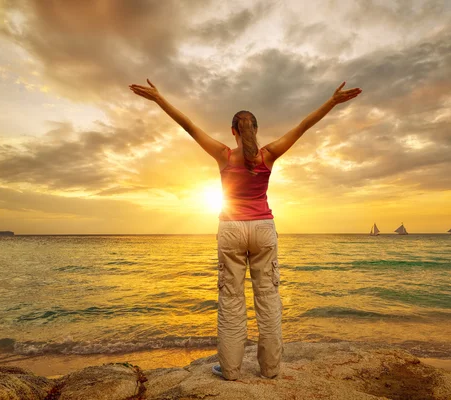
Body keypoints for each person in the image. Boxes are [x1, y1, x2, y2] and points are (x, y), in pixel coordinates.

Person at [129, 80, 362, 380]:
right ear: (256, 129)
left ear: (233, 132)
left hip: (231, 229)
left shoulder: (224, 155)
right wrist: (331, 102)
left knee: (231, 300)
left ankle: (231, 370)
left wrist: (160, 99)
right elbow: (303, 126)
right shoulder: (268, 155)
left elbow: (188, 125)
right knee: (268, 299)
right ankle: (270, 369)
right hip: (263, 228)